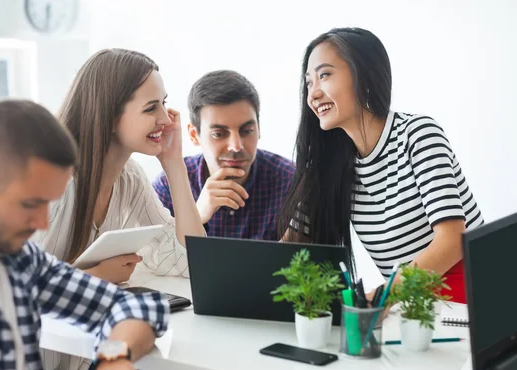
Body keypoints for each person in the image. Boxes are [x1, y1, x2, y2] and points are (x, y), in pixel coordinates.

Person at [0, 99, 169, 370]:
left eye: (48, 204)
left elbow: (135, 306)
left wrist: (113, 358)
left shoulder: (18, 259)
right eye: (30, 204)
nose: (41, 222)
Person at [31, 49, 203, 370]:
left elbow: (190, 261)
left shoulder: (129, 178)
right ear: (110, 117)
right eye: (150, 108)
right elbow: (10, 291)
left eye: (163, 103)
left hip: (83, 358)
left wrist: (174, 166)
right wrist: (94, 279)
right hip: (32, 369)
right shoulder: (54, 185)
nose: (166, 119)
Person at [280, 27, 483, 303]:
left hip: (478, 295)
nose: (313, 94)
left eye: (324, 75)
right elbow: (290, 247)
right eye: (308, 82)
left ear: (363, 76)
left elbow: (452, 239)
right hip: (415, 310)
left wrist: (380, 298)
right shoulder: (331, 166)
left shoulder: (417, 134)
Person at [153, 70, 295, 241]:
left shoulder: (290, 181)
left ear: (259, 129)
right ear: (194, 135)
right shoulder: (167, 186)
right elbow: (155, 263)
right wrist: (196, 217)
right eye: (219, 134)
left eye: (247, 131)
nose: (236, 146)